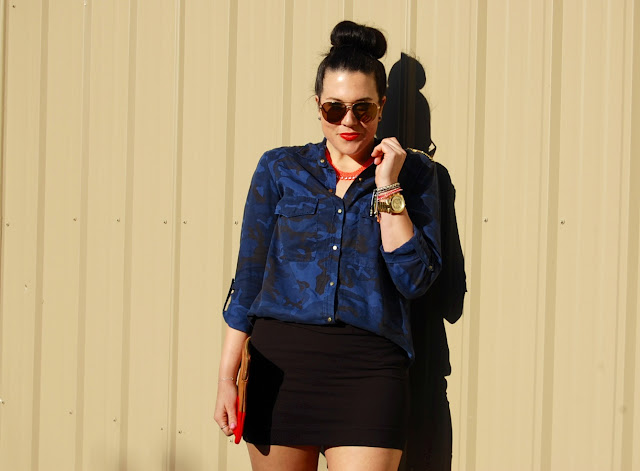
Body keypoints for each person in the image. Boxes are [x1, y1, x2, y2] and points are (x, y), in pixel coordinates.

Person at [214, 20, 442, 471]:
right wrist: (226, 376)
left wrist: (387, 187)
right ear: (318, 106)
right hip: (279, 369)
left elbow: (414, 279)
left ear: (381, 107)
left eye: (363, 109)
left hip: (370, 372)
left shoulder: (415, 176)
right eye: (335, 109)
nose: (349, 122)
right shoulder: (280, 169)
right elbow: (250, 276)